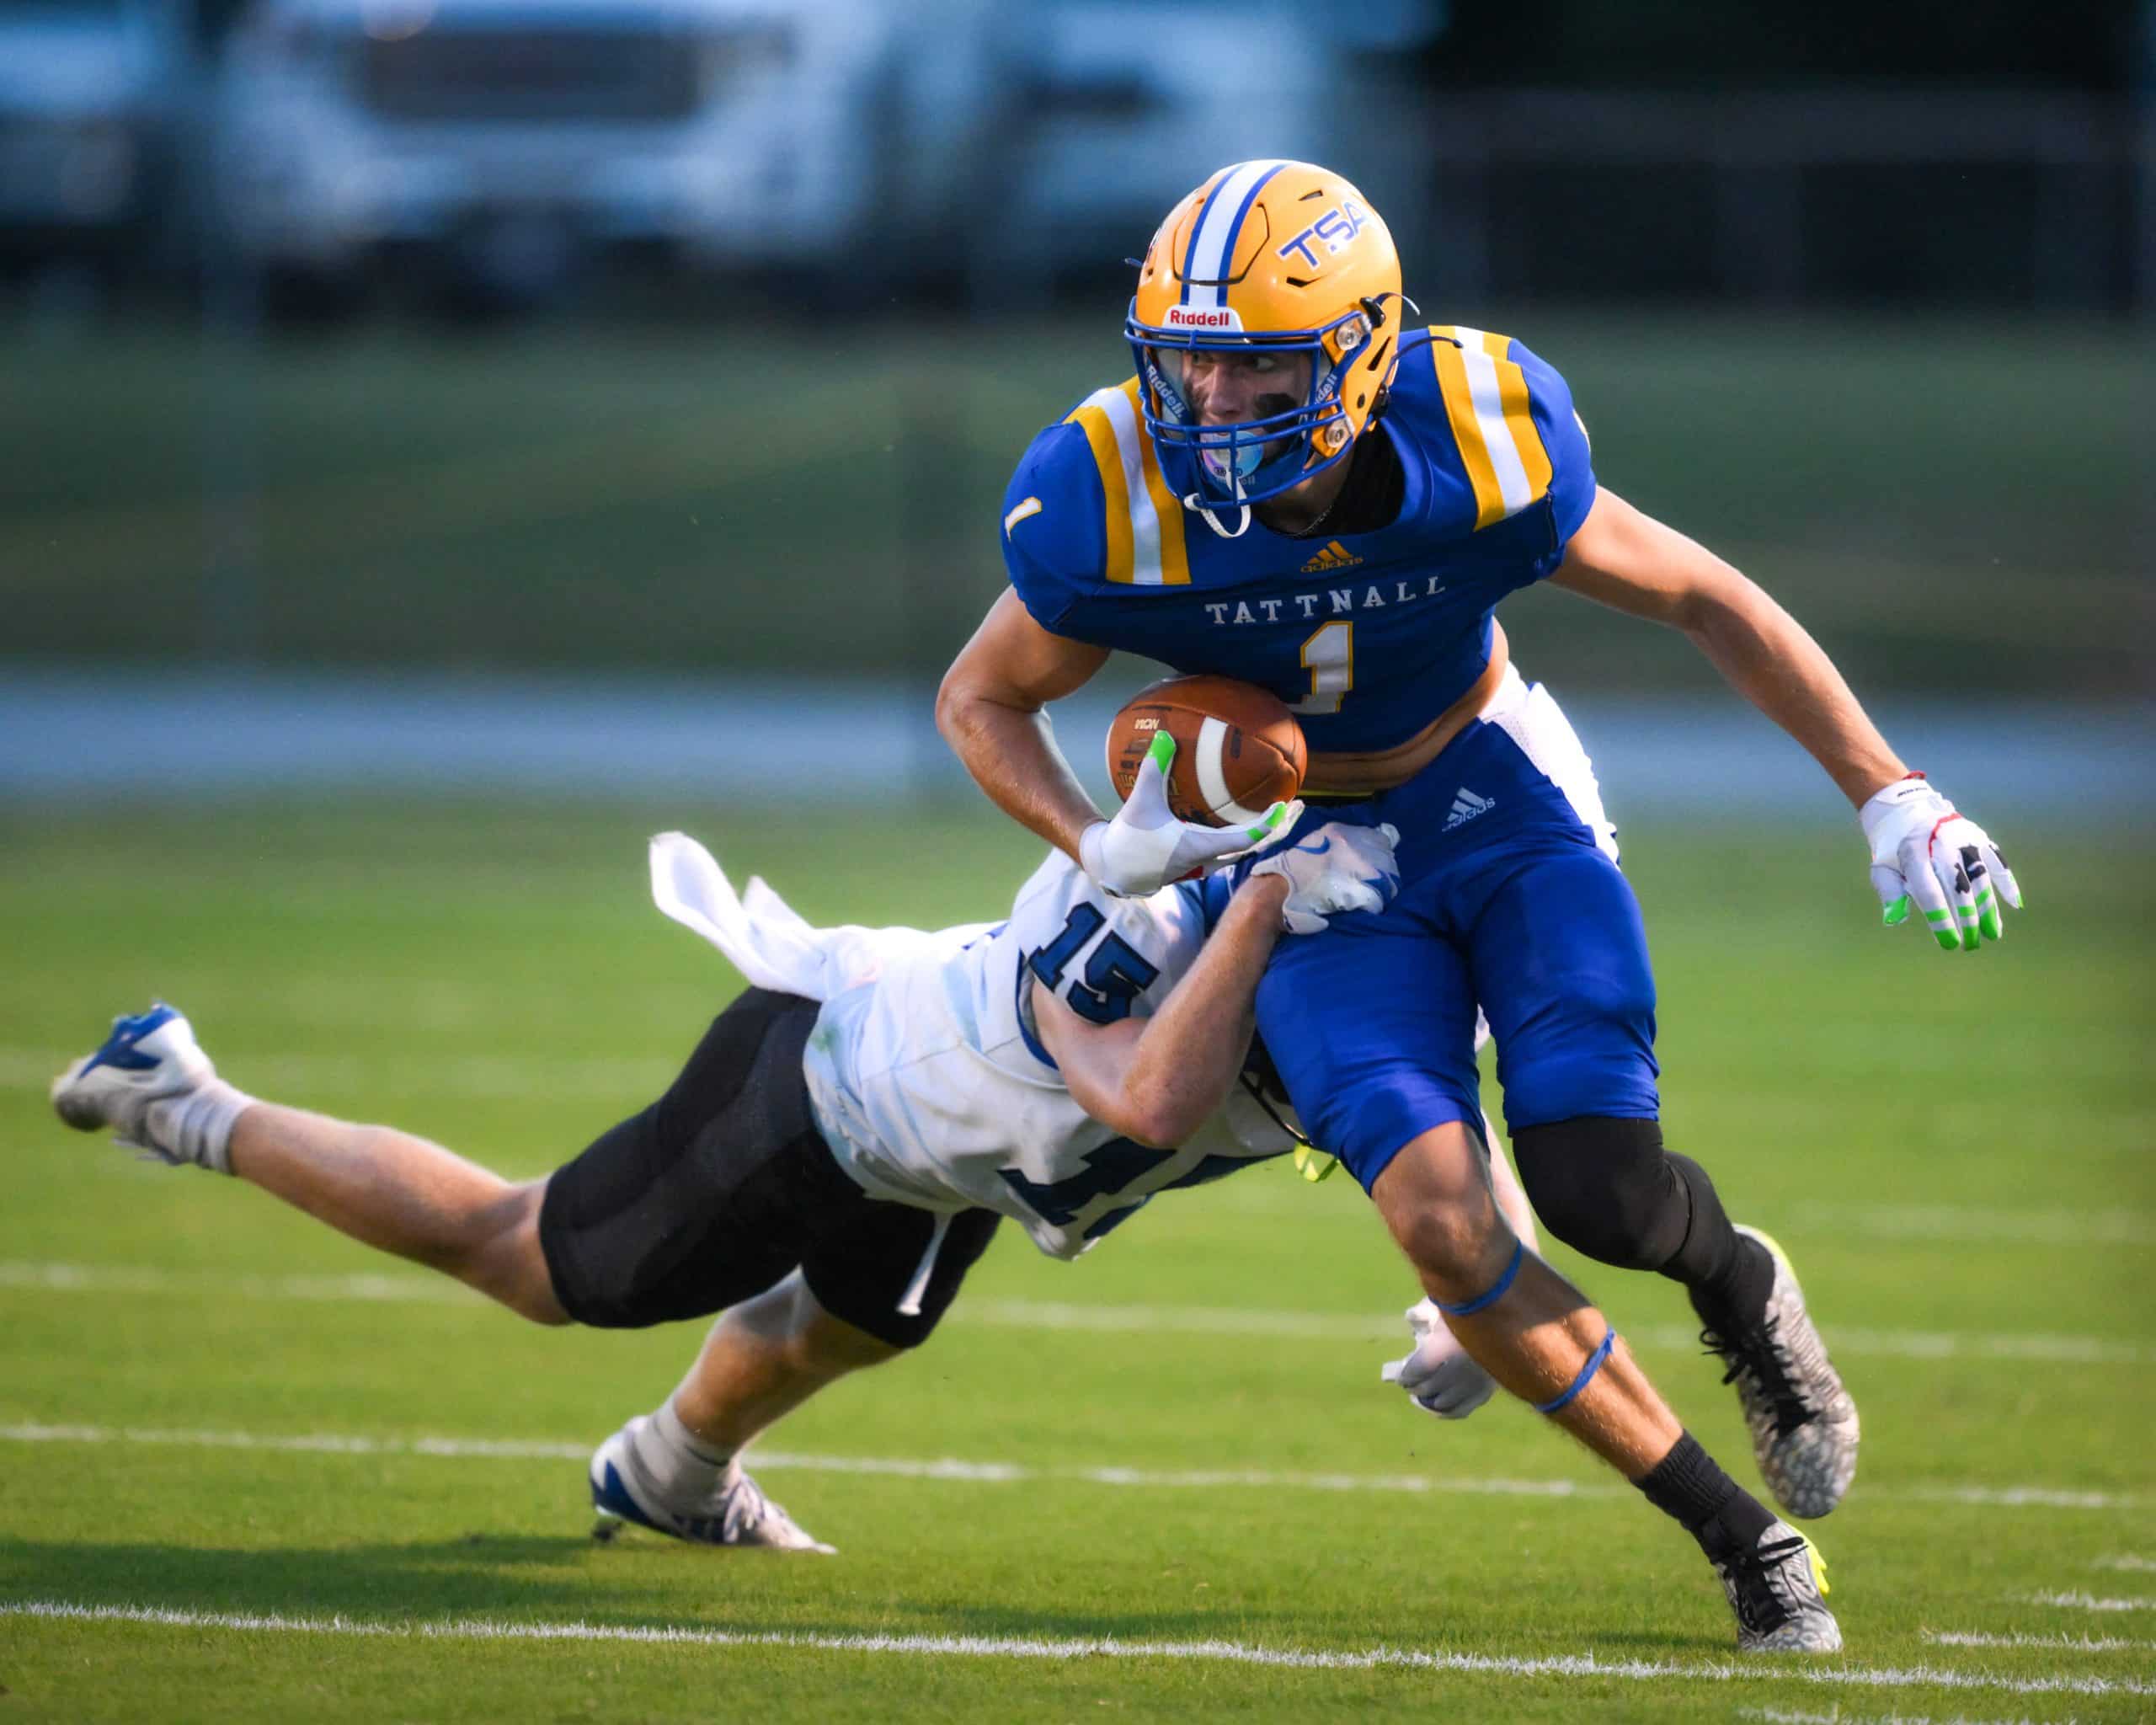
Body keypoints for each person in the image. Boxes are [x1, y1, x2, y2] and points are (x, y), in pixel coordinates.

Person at [939, 160, 2020, 1651]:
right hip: (1308, 859)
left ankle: (1738, 1280)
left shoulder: (1478, 431)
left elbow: (1703, 594)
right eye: (1188, 362)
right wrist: (1094, 844)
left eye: (1259, 368)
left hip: (1490, 788)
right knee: (1445, 1230)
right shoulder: (1108, 493)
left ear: (1362, 351)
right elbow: (980, 697)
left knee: (1598, 1193)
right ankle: (1742, 1540)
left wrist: (1891, 792)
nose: (1212, 400)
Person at [48, 790, 1428, 1556]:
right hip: (830, 1081)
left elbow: (1427, 1140)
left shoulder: (1364, 980)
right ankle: (184, 1101)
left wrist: (1460, 1278)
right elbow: (1151, 1093)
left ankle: (671, 1474)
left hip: (943, 1153)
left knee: (862, 1321)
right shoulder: (1178, 927)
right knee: (529, 1258)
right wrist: (1256, 899)